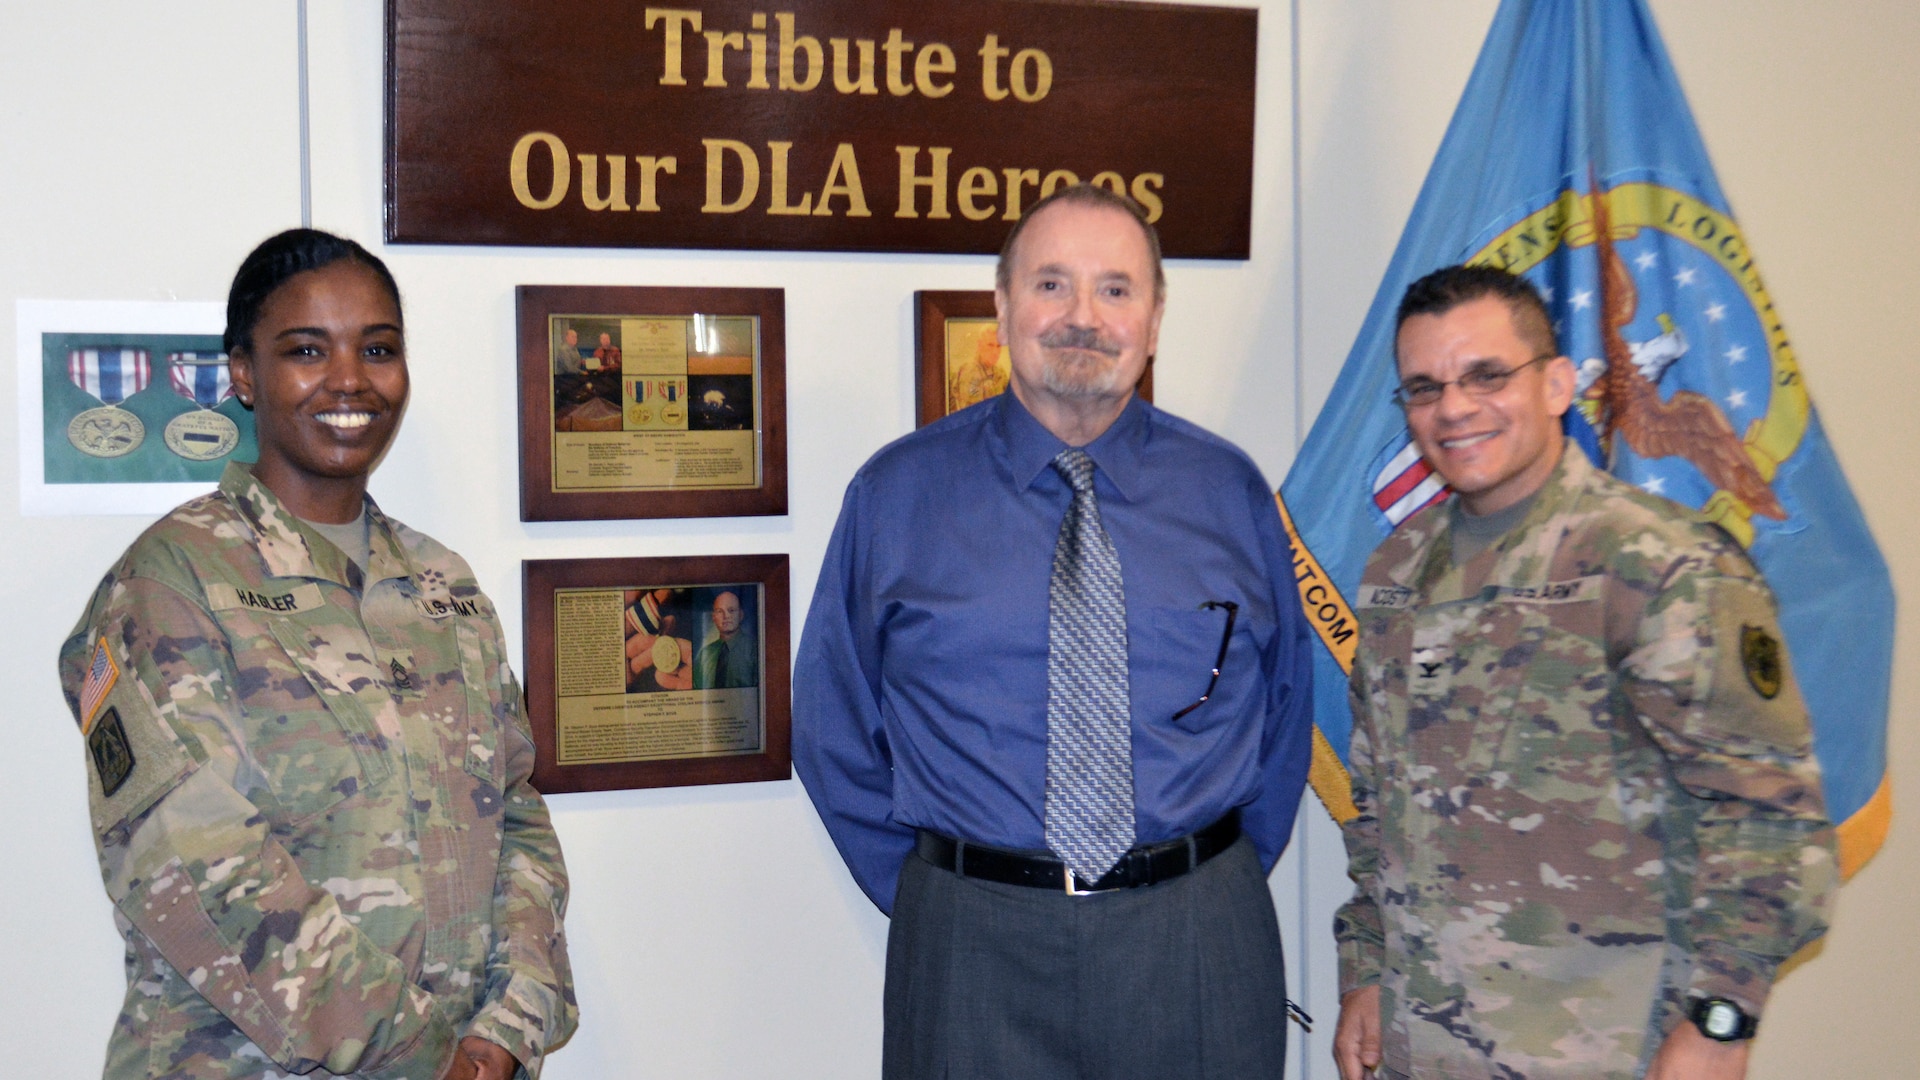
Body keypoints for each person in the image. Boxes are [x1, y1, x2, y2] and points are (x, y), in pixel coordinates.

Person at [793, 184, 1314, 1079]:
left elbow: (1285, 708)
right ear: (1001, 310)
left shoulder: (1229, 493)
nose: (1084, 317)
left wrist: (1203, 879)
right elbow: (832, 725)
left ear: (1153, 320)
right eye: (1051, 285)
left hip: (1195, 939)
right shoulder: (898, 495)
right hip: (972, 949)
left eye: (1116, 290)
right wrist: (944, 892)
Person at [58, 229, 578, 1080]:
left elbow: (517, 813)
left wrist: (506, 1028)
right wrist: (423, 1057)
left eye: (378, 349)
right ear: (242, 375)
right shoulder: (173, 581)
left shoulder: (442, 584)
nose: (350, 380)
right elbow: (194, 865)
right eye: (306, 350)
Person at [1331, 265, 1835, 1080]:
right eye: (1424, 388)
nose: (1453, 408)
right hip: (1425, 1048)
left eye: (1486, 375)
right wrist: (1368, 968)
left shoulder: (1657, 563)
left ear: (1559, 382)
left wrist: (1720, 1022)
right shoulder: (1397, 569)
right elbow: (1380, 808)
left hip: (1607, 1048)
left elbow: (1768, 816)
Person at [692, 589, 757, 689]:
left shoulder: (755, 650)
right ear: (714, 617)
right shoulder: (705, 654)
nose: (725, 616)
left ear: (740, 615)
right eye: (719, 611)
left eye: (731, 610)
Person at [946, 325, 1010, 413]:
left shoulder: (999, 372)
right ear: (980, 345)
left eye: (998, 346)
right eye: (990, 345)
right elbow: (972, 413)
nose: (995, 352)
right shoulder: (969, 372)